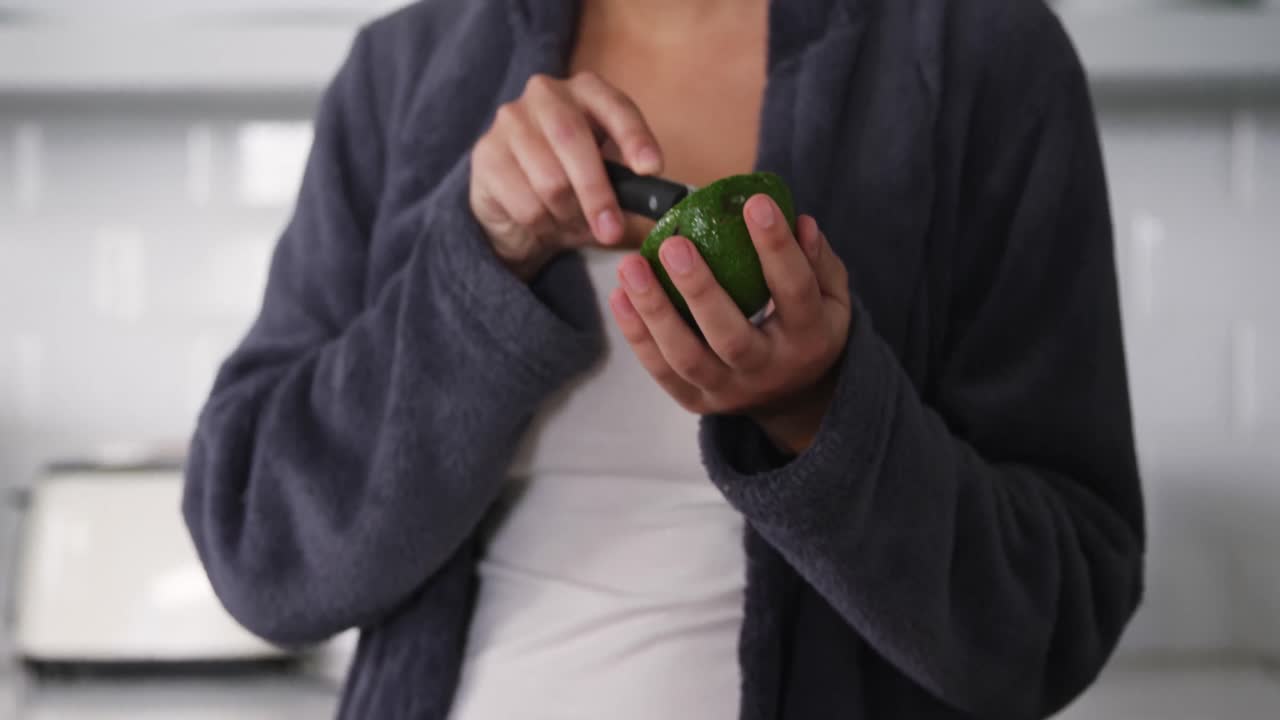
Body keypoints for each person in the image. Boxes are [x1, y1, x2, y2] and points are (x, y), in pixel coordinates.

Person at [182, 0, 1146, 717]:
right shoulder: (403, 72)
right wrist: (481, 264)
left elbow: (1049, 623)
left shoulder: (986, 58)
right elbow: (261, 552)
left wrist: (818, 412)